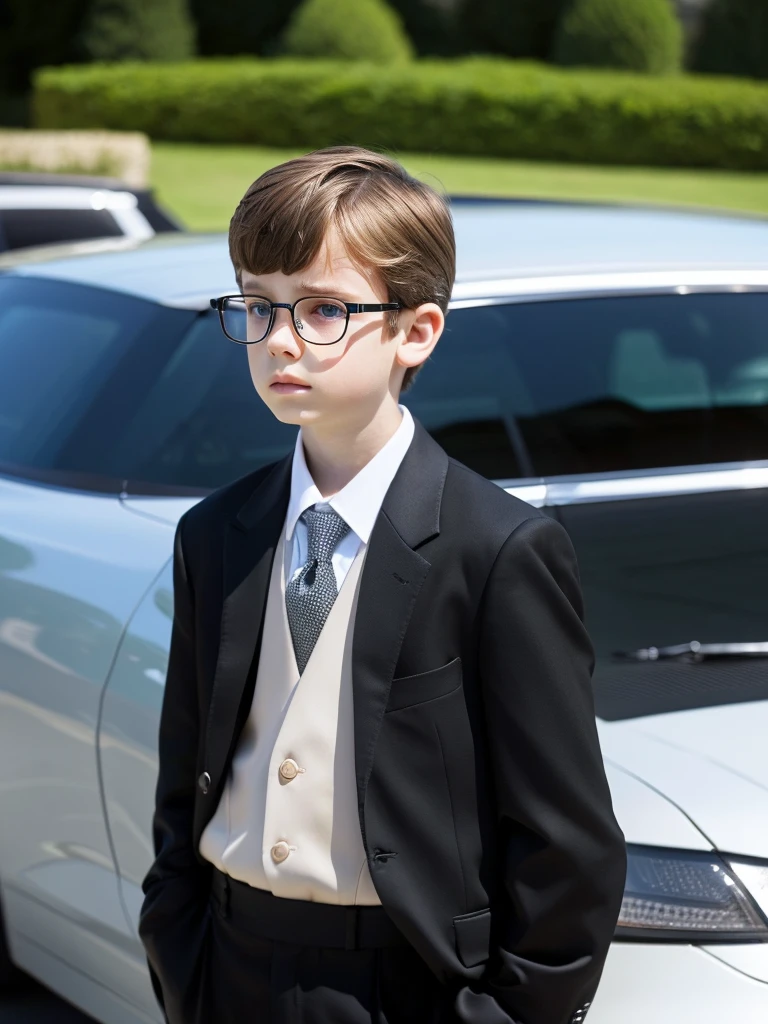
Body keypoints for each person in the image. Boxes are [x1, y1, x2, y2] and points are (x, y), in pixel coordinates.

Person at [138, 145, 627, 1024]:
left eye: (323, 309)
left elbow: (567, 847)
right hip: (227, 966)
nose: (281, 339)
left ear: (416, 332)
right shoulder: (215, 535)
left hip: (406, 987)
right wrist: (180, 955)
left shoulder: (500, 549)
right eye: (258, 304)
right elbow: (185, 781)